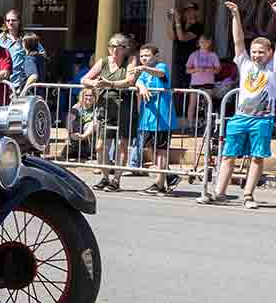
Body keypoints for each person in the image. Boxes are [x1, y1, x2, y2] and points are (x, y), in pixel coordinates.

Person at [199, 2, 276, 209]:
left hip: (262, 119)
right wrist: (235, 15)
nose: (256, 54)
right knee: (228, 155)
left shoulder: (272, 68)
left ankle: (248, 195)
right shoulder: (245, 63)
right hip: (240, 117)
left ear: (270, 53)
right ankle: (219, 193)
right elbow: (238, 40)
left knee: (257, 158)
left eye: (261, 52)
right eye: (254, 51)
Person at [82, 33, 137, 192]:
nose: (113, 49)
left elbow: (128, 81)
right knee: (100, 146)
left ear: (124, 49)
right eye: (111, 46)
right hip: (105, 106)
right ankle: (105, 177)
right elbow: (84, 79)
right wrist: (95, 83)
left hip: (124, 105)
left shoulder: (130, 61)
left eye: (116, 46)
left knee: (121, 145)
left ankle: (116, 180)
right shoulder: (103, 61)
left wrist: (109, 83)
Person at [132, 45, 178, 195]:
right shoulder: (144, 73)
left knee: (160, 151)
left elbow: (160, 73)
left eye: (147, 56)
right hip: (148, 118)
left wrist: (143, 69)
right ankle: (169, 176)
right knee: (150, 149)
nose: (144, 59)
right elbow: (138, 81)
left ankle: (159, 184)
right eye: (142, 56)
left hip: (162, 118)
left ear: (156, 56)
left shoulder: (160, 66)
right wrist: (141, 86)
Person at [0, 8, 45, 93]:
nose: (10, 23)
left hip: (21, 85)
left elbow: (42, 53)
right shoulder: (0, 39)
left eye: (13, 20)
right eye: (8, 20)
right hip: (5, 84)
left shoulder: (26, 37)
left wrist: (29, 61)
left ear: (19, 21)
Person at [185, 35, 220, 130]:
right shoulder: (194, 54)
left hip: (208, 83)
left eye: (206, 42)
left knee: (208, 104)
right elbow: (187, 70)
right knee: (192, 104)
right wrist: (196, 69)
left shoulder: (213, 55)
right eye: (202, 42)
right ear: (198, 43)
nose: (204, 44)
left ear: (210, 43)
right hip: (195, 83)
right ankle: (190, 125)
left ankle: (207, 126)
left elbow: (218, 70)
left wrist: (208, 69)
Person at [167, 2, 204, 88]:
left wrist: (177, 21)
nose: (189, 13)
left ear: (196, 12)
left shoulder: (198, 26)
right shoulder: (181, 24)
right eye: (186, 11)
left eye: (191, 10)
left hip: (192, 61)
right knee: (178, 86)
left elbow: (182, 38)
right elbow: (171, 36)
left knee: (189, 86)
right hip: (179, 59)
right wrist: (171, 20)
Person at [64, 87, 98, 162]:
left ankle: (92, 152)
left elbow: (95, 122)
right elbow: (69, 121)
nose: (88, 97)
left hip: (89, 134)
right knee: (75, 122)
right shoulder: (76, 107)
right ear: (82, 96)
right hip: (77, 134)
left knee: (87, 126)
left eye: (91, 95)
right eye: (86, 95)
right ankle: (77, 149)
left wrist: (84, 135)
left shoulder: (97, 108)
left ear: (95, 97)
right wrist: (71, 132)